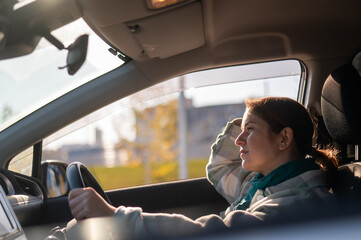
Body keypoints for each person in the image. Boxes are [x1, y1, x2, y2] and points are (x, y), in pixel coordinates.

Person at [66, 96, 338, 239]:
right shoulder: (259, 184)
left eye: (249, 131)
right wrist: (248, 119)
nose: (239, 140)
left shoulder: (296, 203)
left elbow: (212, 234)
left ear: (284, 138)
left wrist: (117, 218)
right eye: (240, 132)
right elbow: (219, 168)